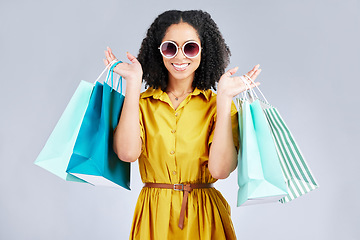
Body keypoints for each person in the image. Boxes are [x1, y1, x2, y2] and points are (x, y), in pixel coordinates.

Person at [103, 10, 261, 240]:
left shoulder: (217, 105)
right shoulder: (141, 103)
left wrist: (225, 99)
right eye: (170, 47)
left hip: (204, 216)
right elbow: (127, 153)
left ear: (203, 51)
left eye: (190, 47)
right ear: (158, 51)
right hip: (154, 216)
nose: (179, 56)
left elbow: (220, 170)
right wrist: (133, 84)